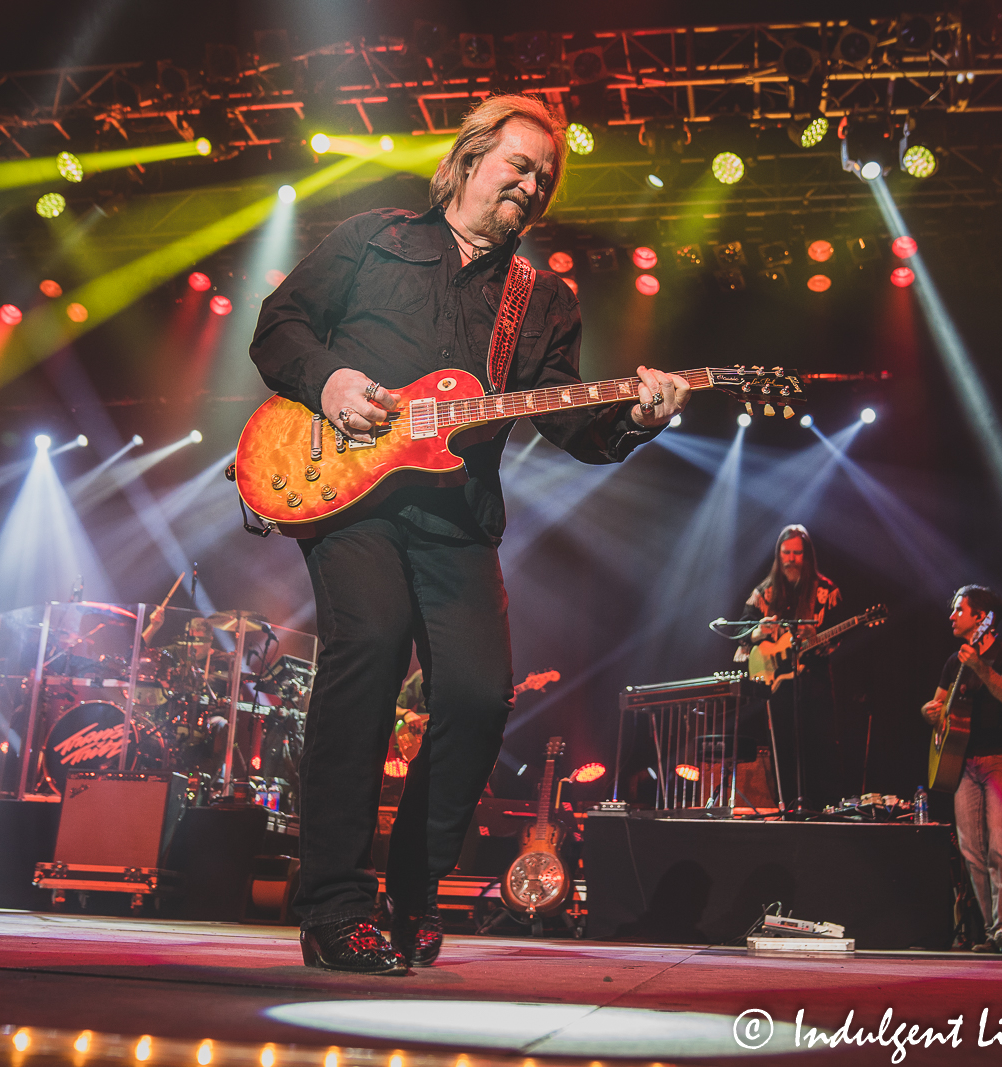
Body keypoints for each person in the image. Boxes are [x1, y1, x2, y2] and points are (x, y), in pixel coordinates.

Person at [249, 94, 690, 973]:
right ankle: (333, 903)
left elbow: (575, 426)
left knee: (479, 697)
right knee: (367, 647)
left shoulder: (540, 298)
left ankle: (409, 895)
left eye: (544, 178)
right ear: (468, 160)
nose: (531, 184)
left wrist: (640, 417)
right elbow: (279, 328)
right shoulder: (374, 237)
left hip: (456, 521)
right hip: (347, 494)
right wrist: (332, 380)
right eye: (518, 165)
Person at [921, 585, 1002, 954]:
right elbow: (934, 704)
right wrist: (930, 713)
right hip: (961, 762)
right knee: (971, 850)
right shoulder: (954, 661)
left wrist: (979, 665)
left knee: (999, 841)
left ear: (982, 618)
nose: (952, 616)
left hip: (1001, 759)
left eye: (958, 610)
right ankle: (991, 930)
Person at [734, 524, 841, 810]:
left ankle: (823, 809)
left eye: (797, 553)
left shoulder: (826, 590)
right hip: (778, 687)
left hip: (814, 682)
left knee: (820, 744)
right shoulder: (764, 591)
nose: (791, 559)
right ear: (778, 554)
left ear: (807, 556)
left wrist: (816, 638)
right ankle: (789, 804)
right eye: (786, 553)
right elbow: (742, 629)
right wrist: (759, 631)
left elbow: (837, 635)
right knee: (783, 746)